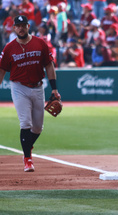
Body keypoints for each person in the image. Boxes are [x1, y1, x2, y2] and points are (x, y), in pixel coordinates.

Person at [0, 15, 61, 172]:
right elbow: (2, 69)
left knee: (38, 128)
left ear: (28, 26)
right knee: (25, 123)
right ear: (14, 28)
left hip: (38, 87)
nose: (20, 28)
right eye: (17, 25)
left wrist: (54, 88)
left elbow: (49, 65)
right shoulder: (9, 48)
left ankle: (27, 146)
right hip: (19, 87)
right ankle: (27, 159)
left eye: (23, 25)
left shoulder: (40, 43)